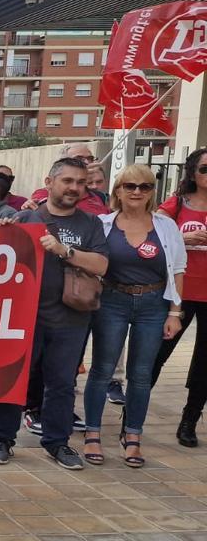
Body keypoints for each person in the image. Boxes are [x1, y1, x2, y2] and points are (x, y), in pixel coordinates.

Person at [0, 157, 108, 471]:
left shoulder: (91, 223)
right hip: (23, 317)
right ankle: (1, 439)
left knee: (62, 384)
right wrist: (3, 234)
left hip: (71, 317)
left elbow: (102, 265)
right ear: (49, 182)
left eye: (81, 183)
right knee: (14, 379)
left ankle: (57, 443)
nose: (75, 188)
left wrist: (63, 250)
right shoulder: (24, 217)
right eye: (68, 181)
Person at [82, 164, 185, 468]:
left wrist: (175, 312)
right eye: (130, 186)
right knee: (102, 370)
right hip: (112, 300)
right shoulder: (102, 224)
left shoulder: (166, 227)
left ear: (153, 192)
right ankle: (92, 433)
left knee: (140, 375)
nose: (137, 192)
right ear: (118, 190)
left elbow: (178, 270)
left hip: (154, 304)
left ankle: (133, 436)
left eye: (145, 186)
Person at [152, 147, 207, 446]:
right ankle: (134, 414)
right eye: (204, 169)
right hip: (181, 291)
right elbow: (153, 233)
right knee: (159, 352)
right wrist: (182, 238)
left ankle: (190, 418)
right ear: (192, 172)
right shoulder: (177, 203)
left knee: (204, 362)